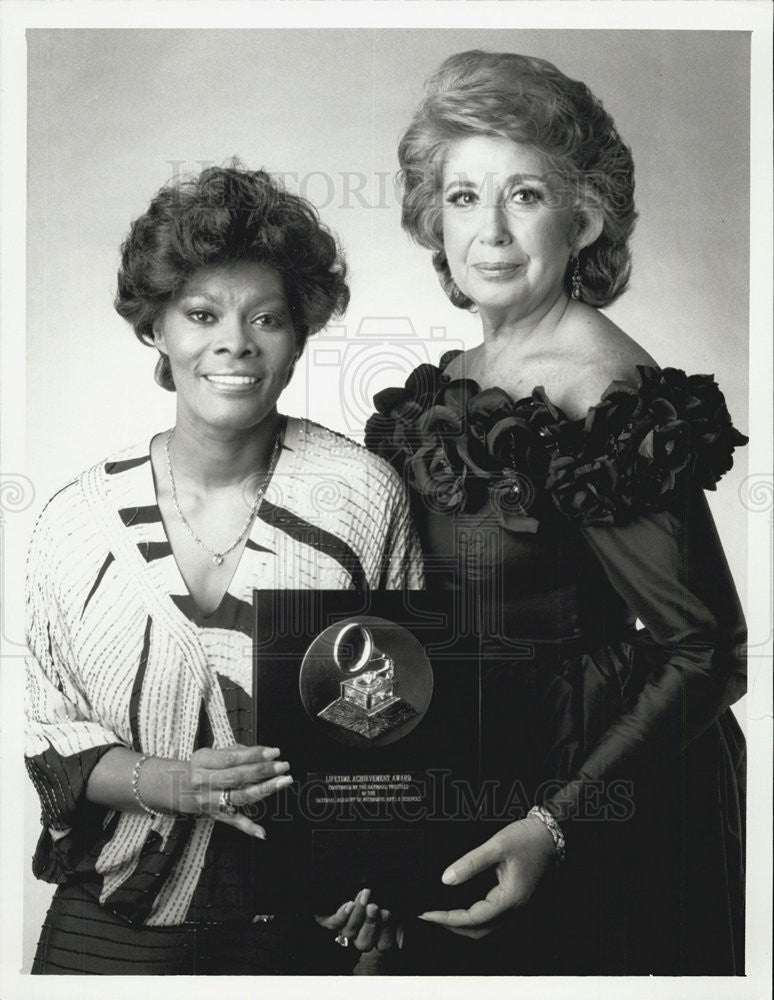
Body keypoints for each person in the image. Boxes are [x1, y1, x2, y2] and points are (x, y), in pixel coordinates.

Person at [366, 50, 747, 975]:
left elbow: (709, 651)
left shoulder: (602, 385)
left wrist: (557, 823)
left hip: (591, 786)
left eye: (524, 194)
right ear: (432, 216)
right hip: (478, 757)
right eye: (463, 198)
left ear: (582, 218)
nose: (489, 231)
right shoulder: (463, 373)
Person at [25, 163, 422, 974]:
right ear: (158, 329)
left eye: (266, 318)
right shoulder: (73, 521)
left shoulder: (360, 496)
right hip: (111, 920)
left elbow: (409, 725)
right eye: (202, 314)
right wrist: (170, 781)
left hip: (302, 927)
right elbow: (47, 736)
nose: (235, 343)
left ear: (300, 332)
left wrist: (382, 890)